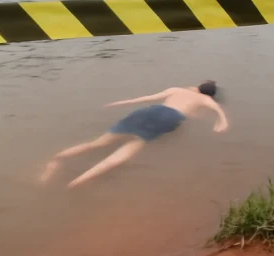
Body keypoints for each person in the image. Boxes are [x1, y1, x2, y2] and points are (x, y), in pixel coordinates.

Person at [39, 80, 228, 188]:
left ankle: (56, 160)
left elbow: (145, 98)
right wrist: (221, 123)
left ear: (197, 86)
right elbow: (218, 111)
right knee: (119, 157)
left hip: (148, 111)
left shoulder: (176, 89)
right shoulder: (205, 100)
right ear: (210, 94)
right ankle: (75, 183)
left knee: (97, 143)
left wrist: (119, 103)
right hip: (168, 119)